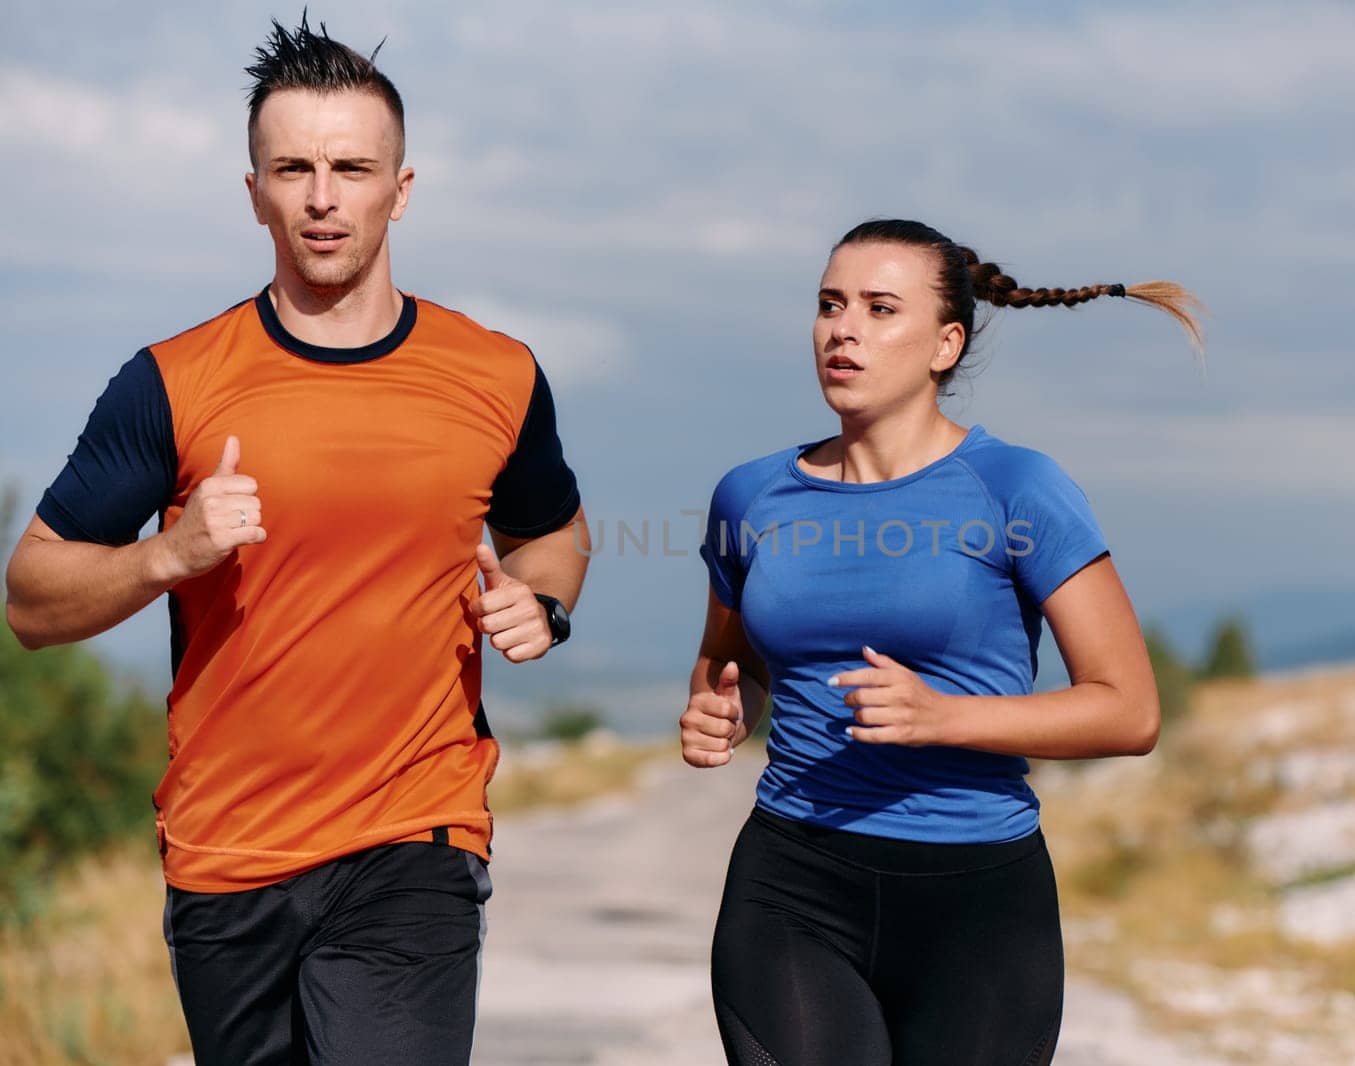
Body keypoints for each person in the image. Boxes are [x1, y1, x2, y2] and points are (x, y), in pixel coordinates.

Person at [2, 15, 587, 1066]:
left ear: (400, 188)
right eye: (295, 169)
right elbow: (32, 599)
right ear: (255, 191)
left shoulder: (495, 373)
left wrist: (540, 603)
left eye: (352, 168)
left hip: (415, 834)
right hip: (227, 853)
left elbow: (552, 532)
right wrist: (166, 556)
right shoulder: (173, 381)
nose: (323, 197)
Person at [681, 218, 1200, 1065]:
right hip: (792, 884)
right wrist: (715, 706)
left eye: (881, 309)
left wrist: (943, 718)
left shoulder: (1017, 489)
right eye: (829, 304)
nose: (843, 329)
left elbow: (1129, 710)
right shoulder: (750, 497)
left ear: (944, 344)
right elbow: (728, 661)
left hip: (978, 906)